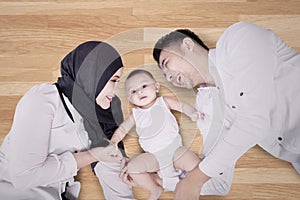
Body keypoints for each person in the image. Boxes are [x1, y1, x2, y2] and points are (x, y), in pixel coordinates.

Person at [152, 22, 300, 199]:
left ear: (188, 45)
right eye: (165, 76)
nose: (168, 77)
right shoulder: (206, 104)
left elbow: (254, 122)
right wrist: (157, 181)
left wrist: (195, 180)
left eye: (166, 63)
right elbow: (218, 181)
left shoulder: (239, 39)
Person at [0, 41, 134, 200]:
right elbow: (23, 177)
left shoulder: (101, 114)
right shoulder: (43, 99)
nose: (116, 90)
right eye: (113, 80)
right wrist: (93, 155)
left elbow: (110, 162)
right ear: (91, 76)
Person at [110, 69, 203, 200]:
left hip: (175, 150)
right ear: (131, 99)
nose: (140, 92)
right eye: (133, 91)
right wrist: (114, 142)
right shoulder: (135, 114)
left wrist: (193, 113)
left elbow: (182, 106)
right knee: (133, 167)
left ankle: (194, 184)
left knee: (196, 165)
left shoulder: (163, 102)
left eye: (144, 86)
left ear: (156, 87)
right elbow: (122, 130)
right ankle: (154, 189)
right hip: (154, 157)